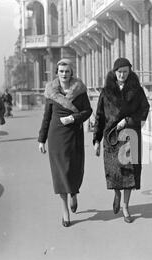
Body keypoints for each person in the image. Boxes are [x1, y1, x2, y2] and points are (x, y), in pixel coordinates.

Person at [93, 58, 150, 223]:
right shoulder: (106, 92)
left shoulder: (137, 91)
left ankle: (126, 206)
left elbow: (144, 110)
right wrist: (96, 139)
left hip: (130, 135)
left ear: (130, 72)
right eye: (119, 72)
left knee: (129, 174)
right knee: (115, 174)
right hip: (111, 138)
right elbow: (99, 116)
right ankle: (117, 194)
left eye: (125, 71)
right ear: (114, 72)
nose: (122, 75)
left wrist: (129, 120)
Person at [38, 59, 92, 227]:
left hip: (74, 135)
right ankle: (65, 212)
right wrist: (41, 139)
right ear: (57, 73)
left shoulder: (80, 90)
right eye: (61, 71)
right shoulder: (50, 92)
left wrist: (73, 118)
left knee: (73, 170)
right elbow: (47, 117)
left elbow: (88, 111)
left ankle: (74, 194)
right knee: (60, 174)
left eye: (67, 71)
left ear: (71, 73)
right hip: (56, 138)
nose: (64, 74)